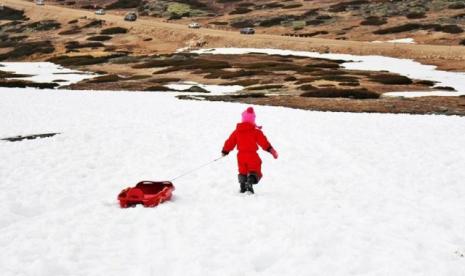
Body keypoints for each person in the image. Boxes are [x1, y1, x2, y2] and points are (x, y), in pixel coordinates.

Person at [222, 107, 278, 194]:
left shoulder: (237, 131)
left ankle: (242, 186)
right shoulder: (255, 132)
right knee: (255, 169)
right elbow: (264, 142)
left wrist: (225, 151)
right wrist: (270, 149)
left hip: (240, 156)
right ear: (253, 120)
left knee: (242, 170)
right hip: (252, 155)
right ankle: (250, 182)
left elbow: (230, 141)